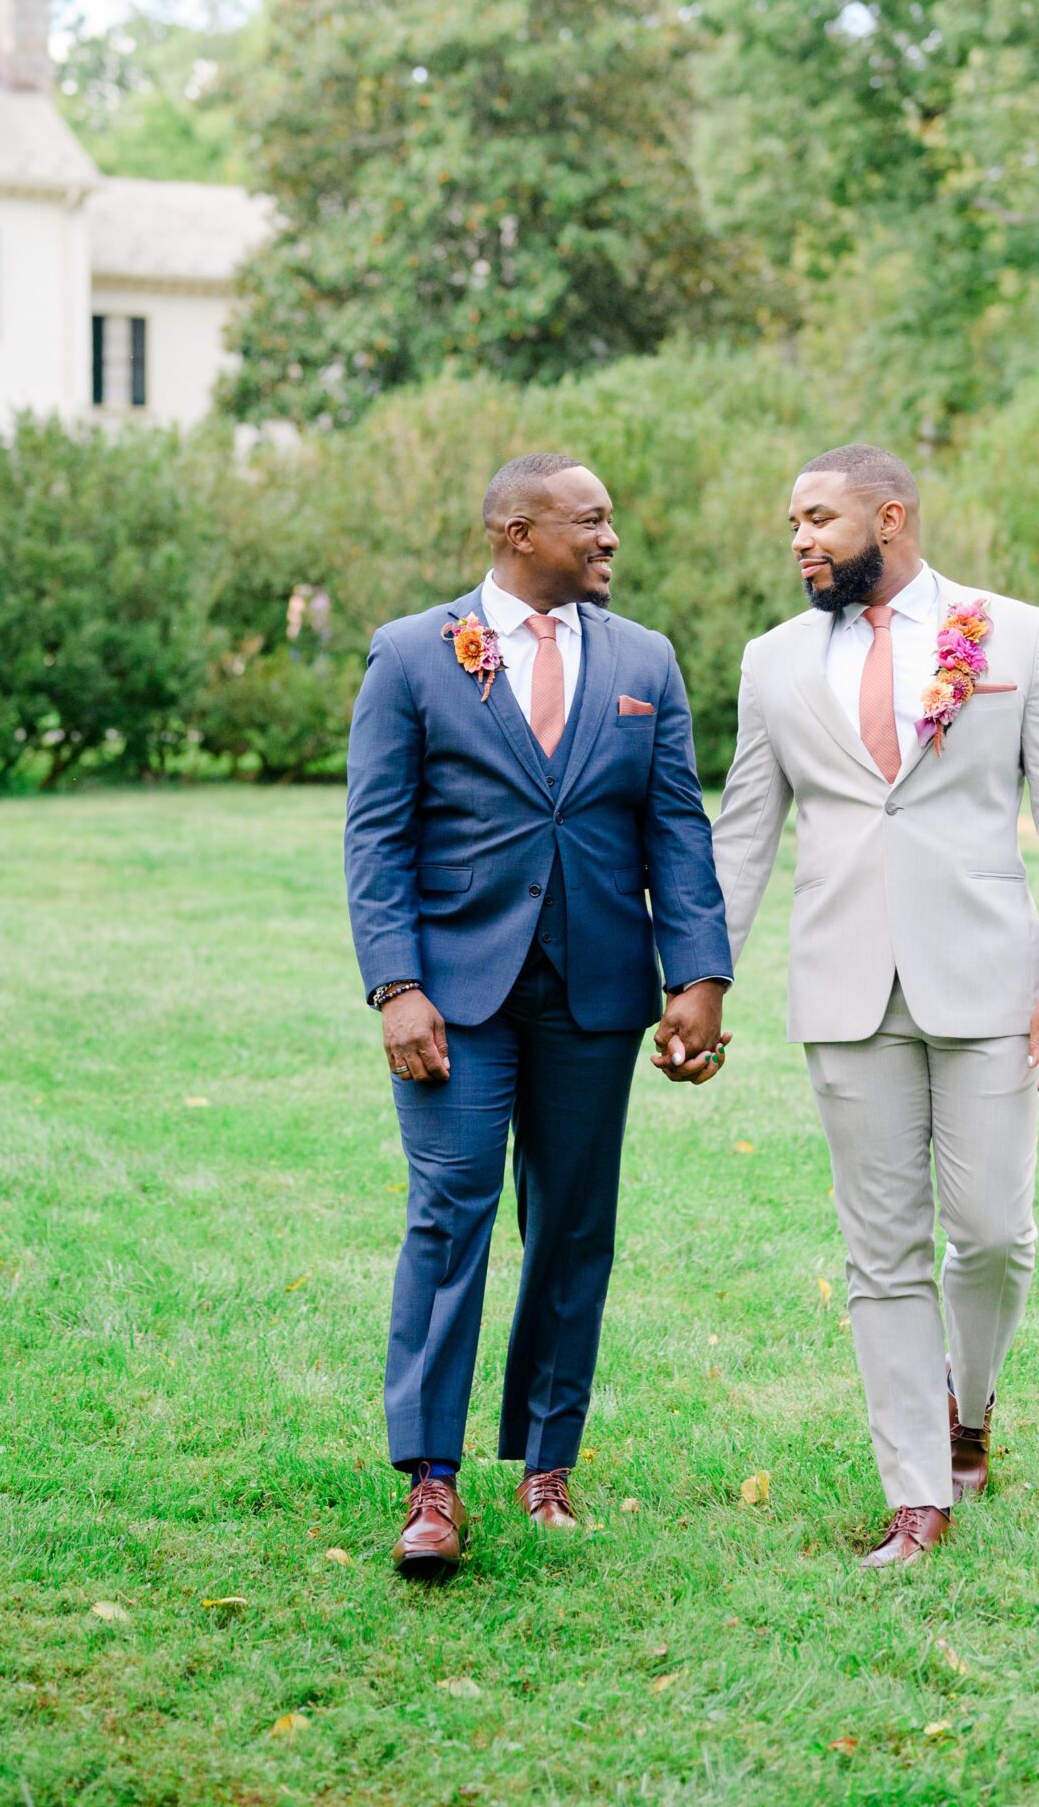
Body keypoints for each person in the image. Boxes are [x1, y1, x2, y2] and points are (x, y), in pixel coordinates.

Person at [708, 443, 1039, 1568]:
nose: (797, 538)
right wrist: (700, 975)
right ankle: (915, 1495)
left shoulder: (1010, 634)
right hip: (841, 985)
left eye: (818, 518)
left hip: (988, 977)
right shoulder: (772, 660)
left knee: (988, 1230)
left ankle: (968, 1408)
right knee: (880, 1250)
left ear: (889, 516)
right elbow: (743, 830)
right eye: (789, 519)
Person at [345, 452, 732, 1577]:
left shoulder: (644, 661)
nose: (611, 538)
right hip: (451, 1000)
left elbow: (674, 827)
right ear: (516, 530)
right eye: (591, 520)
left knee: (571, 1224)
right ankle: (428, 1480)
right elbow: (376, 836)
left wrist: (695, 973)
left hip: (596, 994)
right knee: (448, 1214)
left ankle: (547, 1464)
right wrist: (395, 984)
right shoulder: (414, 653)